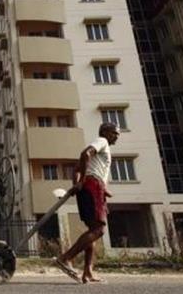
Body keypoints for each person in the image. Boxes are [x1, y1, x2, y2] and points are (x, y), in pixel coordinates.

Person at [55, 122, 120, 284]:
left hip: (92, 186)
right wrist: (83, 181)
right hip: (93, 185)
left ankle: (88, 272)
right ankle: (66, 258)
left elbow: (77, 168)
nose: (117, 136)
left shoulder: (102, 151)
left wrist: (79, 184)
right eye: (115, 133)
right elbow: (85, 154)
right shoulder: (102, 141)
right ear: (105, 132)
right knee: (99, 229)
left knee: (93, 230)